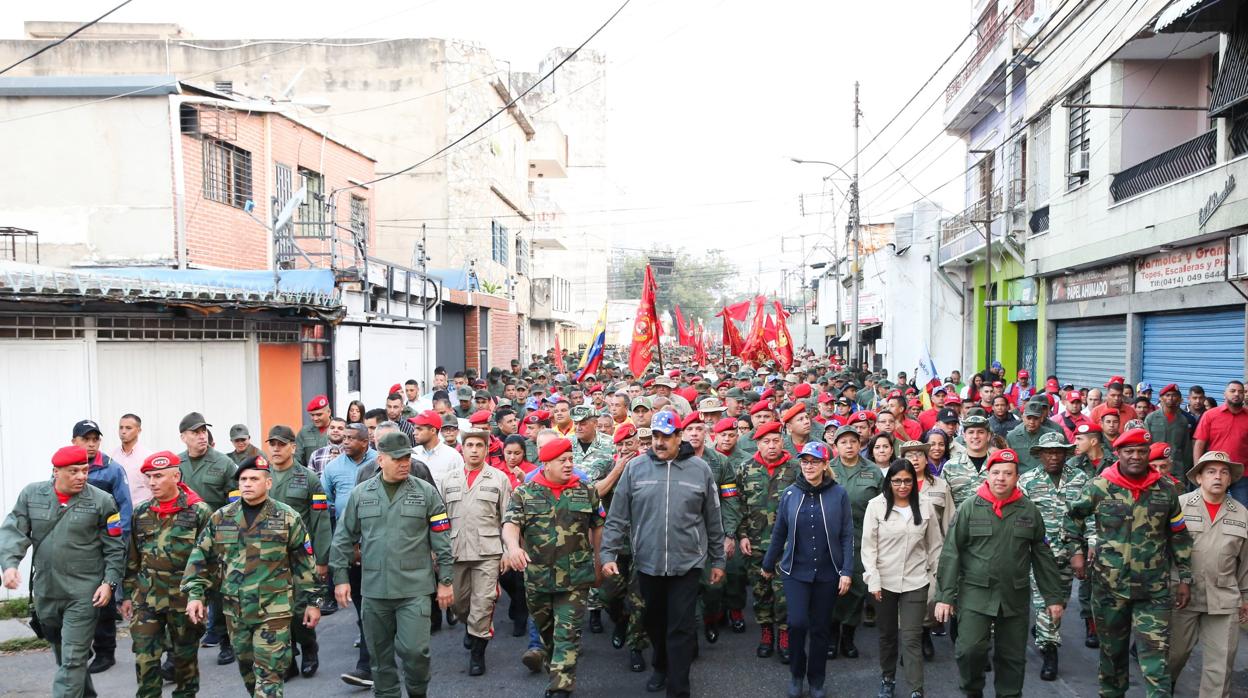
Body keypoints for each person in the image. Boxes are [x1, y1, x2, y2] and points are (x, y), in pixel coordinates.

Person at [602, 411, 726, 697]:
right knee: (653, 621)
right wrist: (608, 554)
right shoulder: (635, 469)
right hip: (648, 562)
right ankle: (660, 663)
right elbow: (618, 515)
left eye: (666, 437)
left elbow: (713, 518)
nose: (659, 442)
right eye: (655, 436)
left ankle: (678, 688)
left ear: (679, 437)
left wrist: (718, 559)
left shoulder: (700, 470)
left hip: (688, 563)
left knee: (680, 628)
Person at [1065, 428, 1194, 698]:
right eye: (1129, 451)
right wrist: (1076, 553)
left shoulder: (1166, 490)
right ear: (1118, 454)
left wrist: (1184, 578)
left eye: (1141, 451)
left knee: (1156, 659)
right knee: (1112, 656)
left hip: (1154, 589)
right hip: (1109, 588)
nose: (1136, 456)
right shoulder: (1100, 486)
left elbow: (1179, 535)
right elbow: (1072, 519)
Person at [182, 455, 321, 697]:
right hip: (236, 611)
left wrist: (312, 602)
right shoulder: (221, 517)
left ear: (268, 483)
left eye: (254, 479)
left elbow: (304, 563)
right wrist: (195, 595)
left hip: (274, 610)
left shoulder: (287, 517)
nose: (247, 483)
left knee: (269, 680)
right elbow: (201, 558)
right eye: (243, 479)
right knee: (249, 673)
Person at [329, 430, 453, 698]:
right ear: (380, 459)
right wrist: (340, 578)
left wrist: (446, 581)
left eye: (407, 457)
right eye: (397, 458)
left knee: (415, 651)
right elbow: (342, 537)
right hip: (374, 589)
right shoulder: (361, 494)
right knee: (379, 656)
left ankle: (418, 692)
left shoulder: (426, 492)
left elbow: (442, 540)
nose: (404, 463)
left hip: (415, 589)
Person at [935, 449, 1065, 698]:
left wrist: (1053, 597)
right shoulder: (970, 508)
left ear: (1017, 477)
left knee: (1012, 657)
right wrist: (945, 596)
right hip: (975, 593)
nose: (1001, 478)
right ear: (987, 475)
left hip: (1013, 595)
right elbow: (952, 552)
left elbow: (1042, 555)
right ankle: (971, 690)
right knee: (969, 650)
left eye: (1008, 473)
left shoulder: (1028, 510)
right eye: (996, 473)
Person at [0, 445, 125, 698]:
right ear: (56, 472)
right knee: (66, 658)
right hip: (47, 590)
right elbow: (15, 530)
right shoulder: (32, 495)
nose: (81, 476)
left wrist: (109, 583)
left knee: (72, 661)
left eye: (85, 470)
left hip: (84, 592)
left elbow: (115, 549)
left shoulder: (102, 501)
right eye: (74, 471)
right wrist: (10, 565)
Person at [503, 436, 604, 698]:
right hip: (538, 576)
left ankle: (561, 688)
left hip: (576, 576)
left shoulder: (586, 490)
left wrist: (599, 562)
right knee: (547, 632)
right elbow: (511, 525)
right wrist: (513, 548)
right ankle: (556, 666)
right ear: (546, 464)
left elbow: (598, 526)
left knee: (567, 633)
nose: (569, 464)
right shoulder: (525, 492)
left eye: (571, 459)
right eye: (562, 461)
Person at [760, 442, 852, 698]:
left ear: (825, 464)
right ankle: (796, 674)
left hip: (827, 572)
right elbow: (779, 532)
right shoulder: (790, 493)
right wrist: (768, 564)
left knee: (821, 628)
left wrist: (846, 570)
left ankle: (817, 679)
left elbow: (847, 534)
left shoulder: (839, 494)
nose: (809, 466)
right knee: (797, 623)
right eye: (805, 461)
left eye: (814, 461)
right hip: (795, 572)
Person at [121, 451, 213, 698]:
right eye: (149, 477)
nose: (152, 482)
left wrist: (201, 597)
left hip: (184, 601)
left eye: (159, 476)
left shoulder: (199, 512)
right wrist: (128, 595)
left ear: (176, 476)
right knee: (145, 660)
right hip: (147, 599)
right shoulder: (141, 512)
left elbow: (212, 561)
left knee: (185, 664)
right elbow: (133, 558)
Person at [1167, 451, 1248, 697]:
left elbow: (1246, 562)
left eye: (1224, 472)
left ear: (1230, 479)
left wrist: (1246, 596)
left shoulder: (1241, 513)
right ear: (1199, 477)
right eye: (1211, 471)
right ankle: (1162, 688)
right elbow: (1163, 549)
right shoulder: (1179, 505)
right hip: (1182, 595)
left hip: (1224, 597)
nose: (1218, 477)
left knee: (1220, 665)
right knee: (1173, 655)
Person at [862, 459, 943, 698]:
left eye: (908, 480)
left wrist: (936, 580)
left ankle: (916, 688)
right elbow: (868, 548)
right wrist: (873, 580)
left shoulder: (925, 506)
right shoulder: (876, 506)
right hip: (884, 582)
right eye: (897, 481)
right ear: (889, 482)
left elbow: (935, 546)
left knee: (911, 637)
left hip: (916, 581)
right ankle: (887, 678)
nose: (903, 485)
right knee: (888, 636)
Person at [262, 425, 332, 679]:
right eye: (273, 444)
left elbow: (321, 521)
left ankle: (309, 647)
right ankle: (287, 657)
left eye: (282, 444)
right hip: (268, 558)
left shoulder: (309, 479)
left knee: (301, 607)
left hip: (300, 556)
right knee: (276, 611)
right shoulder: (261, 477)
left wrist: (322, 559)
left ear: (293, 447)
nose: (277, 449)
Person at [440, 428, 510, 676]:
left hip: (488, 552)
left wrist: (508, 551)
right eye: (469, 445)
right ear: (463, 448)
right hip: (455, 550)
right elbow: (439, 520)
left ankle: (478, 654)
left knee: (483, 603)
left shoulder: (499, 479)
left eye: (479, 446)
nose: (474, 450)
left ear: (486, 449)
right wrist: (436, 551)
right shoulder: (448, 480)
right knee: (459, 604)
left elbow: (507, 519)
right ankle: (471, 627)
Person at [1017, 432, 1085, 681]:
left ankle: (1045, 633)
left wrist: (1082, 551)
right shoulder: (1027, 481)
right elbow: (1020, 518)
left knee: (1062, 602)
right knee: (1047, 603)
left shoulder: (1080, 479)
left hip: (1069, 553)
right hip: (1039, 555)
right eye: (1049, 452)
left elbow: (1086, 518)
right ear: (1040, 455)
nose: (1054, 456)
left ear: (1066, 453)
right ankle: (1050, 651)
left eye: (1058, 451)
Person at [69, 418, 132, 674]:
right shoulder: (66, 467)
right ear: (74, 441)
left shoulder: (111, 469)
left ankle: (106, 652)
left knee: (102, 600)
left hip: (102, 544)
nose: (92, 444)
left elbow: (125, 508)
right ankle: (81, 647)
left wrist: (117, 541)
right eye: (86, 439)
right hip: (75, 544)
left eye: (96, 439)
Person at [176, 411, 239, 663]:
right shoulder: (176, 464)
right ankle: (181, 649)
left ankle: (226, 641)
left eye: (204, 431)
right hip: (183, 537)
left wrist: (227, 540)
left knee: (219, 593)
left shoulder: (224, 463)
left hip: (216, 537)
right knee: (185, 591)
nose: (202, 436)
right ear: (183, 437)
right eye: (195, 432)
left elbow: (235, 504)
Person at [318, 423, 377, 687]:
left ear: (365, 442)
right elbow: (328, 508)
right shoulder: (332, 469)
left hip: (379, 547)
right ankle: (367, 665)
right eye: (345, 437)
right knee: (365, 607)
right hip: (350, 547)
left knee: (377, 608)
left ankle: (372, 661)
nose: (345, 441)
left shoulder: (380, 462)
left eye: (352, 438)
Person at [738, 420, 795, 662]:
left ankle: (784, 635)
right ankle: (765, 633)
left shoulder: (796, 469)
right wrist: (741, 535)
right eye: (765, 442)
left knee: (784, 594)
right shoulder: (745, 469)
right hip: (755, 543)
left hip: (786, 545)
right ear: (757, 444)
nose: (771, 446)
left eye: (775, 441)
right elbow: (738, 506)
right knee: (761, 593)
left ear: (783, 441)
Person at [829, 424, 883, 660]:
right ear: (836, 446)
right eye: (843, 442)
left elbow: (883, 506)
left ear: (860, 444)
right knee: (830, 588)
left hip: (863, 539)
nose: (849, 446)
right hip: (831, 540)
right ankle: (831, 636)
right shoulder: (827, 469)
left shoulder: (873, 471)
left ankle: (848, 636)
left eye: (853, 441)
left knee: (856, 590)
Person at [1194, 380, 1248, 507]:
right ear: (1225, 394)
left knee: (1242, 510)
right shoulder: (1210, 415)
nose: (1237, 394)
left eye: (1241, 392)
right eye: (1232, 391)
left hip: (1242, 474)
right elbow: (1199, 444)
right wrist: (1198, 469)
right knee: (1210, 506)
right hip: (1214, 472)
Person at [942, 411, 996, 510]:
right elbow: (944, 503)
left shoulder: (998, 464)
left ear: (988, 436)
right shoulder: (950, 467)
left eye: (980, 432)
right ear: (964, 436)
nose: (975, 436)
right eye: (971, 432)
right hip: (961, 523)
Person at [410, 409, 465, 489]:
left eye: (419, 429)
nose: (414, 433)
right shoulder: (413, 454)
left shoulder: (453, 457)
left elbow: (460, 488)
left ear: (433, 430)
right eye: (415, 428)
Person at [1004, 399, 1061, 474]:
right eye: (1029, 418)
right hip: (1021, 478)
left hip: (1045, 477)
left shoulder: (1051, 435)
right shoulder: (1012, 436)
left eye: (1036, 418)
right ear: (1023, 417)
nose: (1032, 422)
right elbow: (1008, 461)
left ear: (1041, 418)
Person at [109, 413, 152, 505]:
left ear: (139, 430)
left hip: (143, 512)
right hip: (119, 512)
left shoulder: (148, 457)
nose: (123, 431)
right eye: (121, 427)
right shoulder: (112, 456)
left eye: (128, 428)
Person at [296, 395, 332, 467]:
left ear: (329, 412)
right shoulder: (304, 432)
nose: (315, 418)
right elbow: (297, 459)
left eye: (319, 415)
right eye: (312, 415)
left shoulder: (340, 429)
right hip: (311, 476)